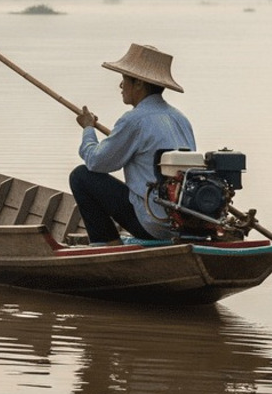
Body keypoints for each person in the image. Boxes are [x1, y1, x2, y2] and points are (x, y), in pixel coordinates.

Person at [69, 43, 195, 245]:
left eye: (124, 80)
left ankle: (105, 245)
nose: (120, 86)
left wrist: (88, 129)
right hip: (182, 222)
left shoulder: (134, 120)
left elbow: (96, 162)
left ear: (138, 84)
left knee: (81, 176)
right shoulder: (180, 119)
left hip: (153, 224)